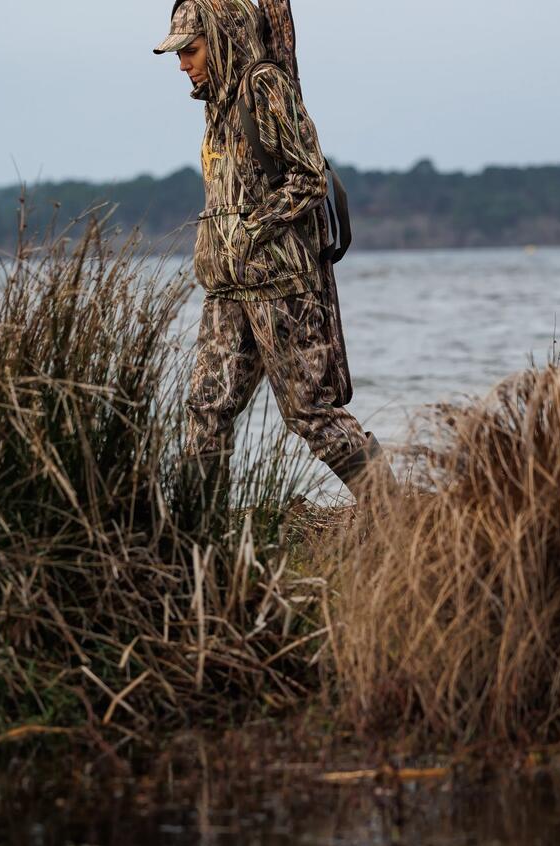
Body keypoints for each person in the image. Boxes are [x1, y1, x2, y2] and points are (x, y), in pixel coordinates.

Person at [153, 0, 391, 518]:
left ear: (219, 40)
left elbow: (309, 178)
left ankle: (395, 512)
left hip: (280, 287)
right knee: (206, 407)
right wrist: (222, 247)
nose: (182, 65)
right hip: (227, 289)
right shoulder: (214, 102)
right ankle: (196, 530)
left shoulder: (264, 86)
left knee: (311, 412)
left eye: (189, 51)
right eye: (178, 55)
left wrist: (252, 230)